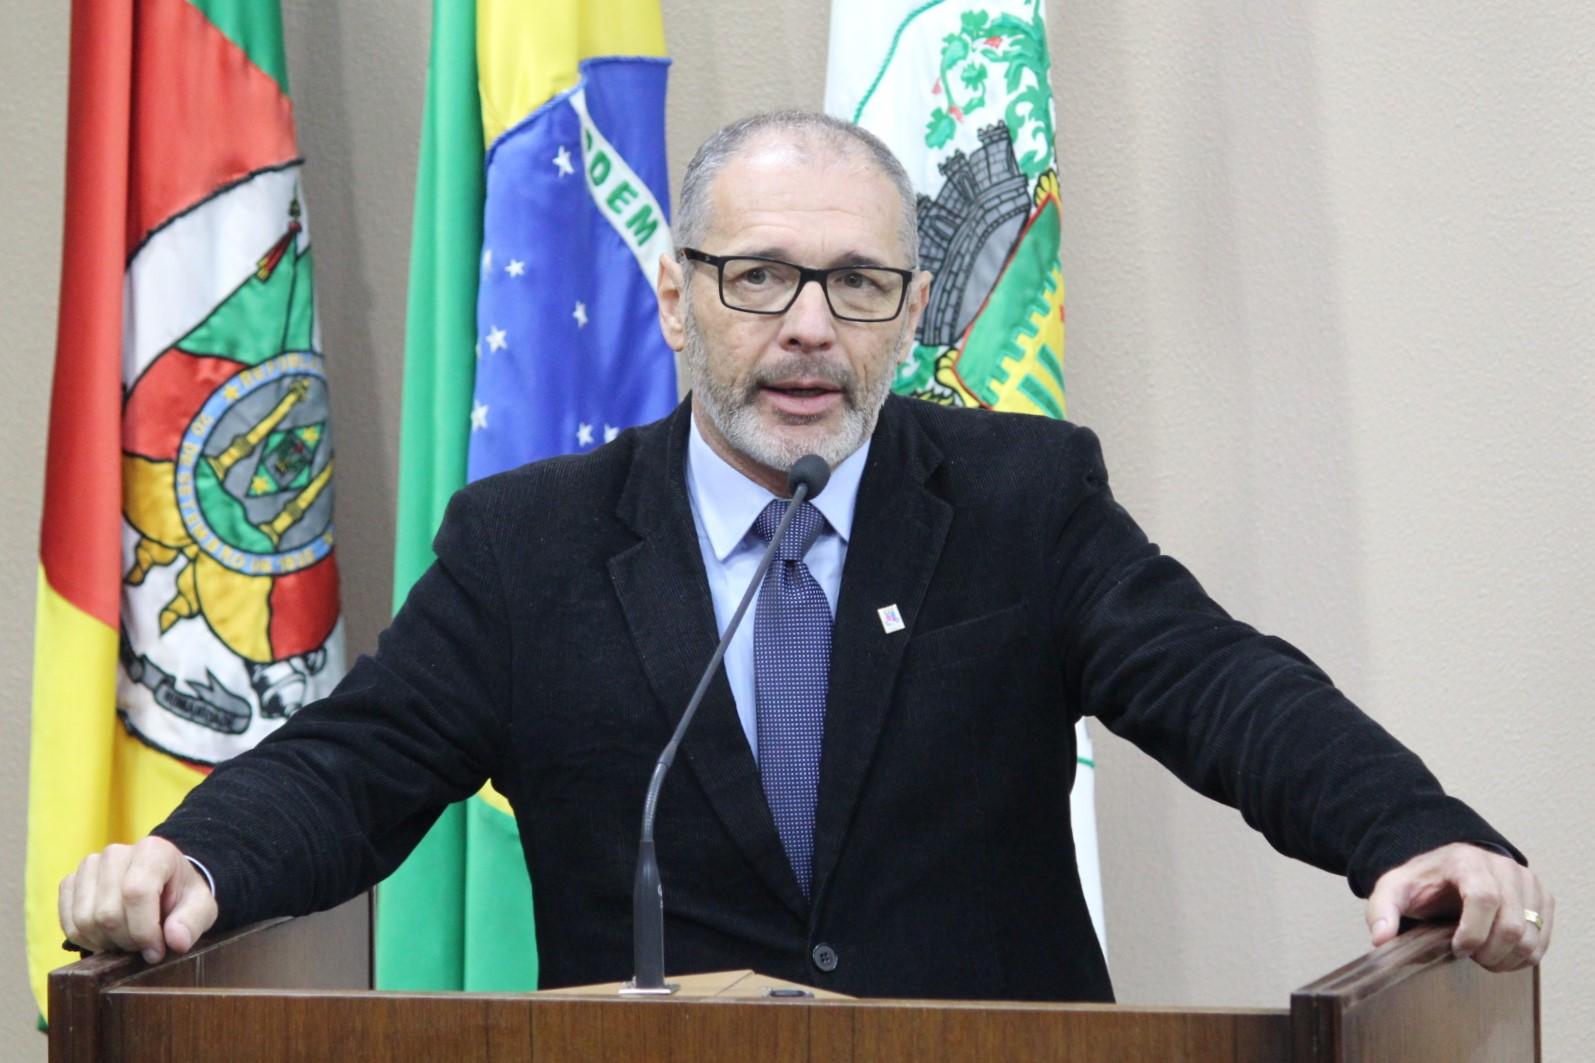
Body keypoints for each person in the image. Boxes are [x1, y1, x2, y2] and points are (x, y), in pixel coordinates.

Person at [60, 112, 1553, 1000]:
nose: (809, 328)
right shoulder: (534, 547)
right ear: (672, 300)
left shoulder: (1023, 499)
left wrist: (1407, 830)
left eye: (859, 284)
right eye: (759, 275)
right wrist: (200, 858)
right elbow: (360, 763)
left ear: (911, 316)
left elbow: (1229, 689)